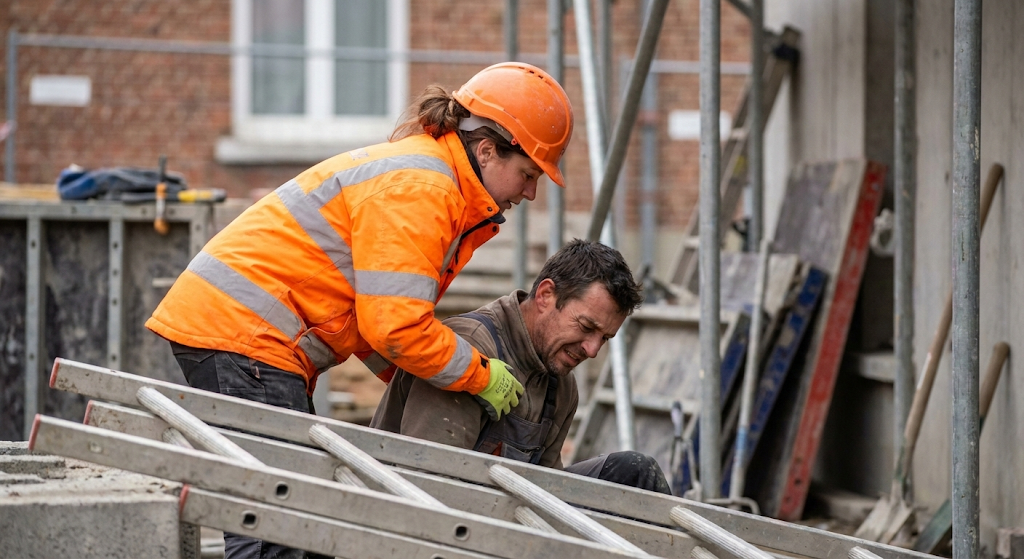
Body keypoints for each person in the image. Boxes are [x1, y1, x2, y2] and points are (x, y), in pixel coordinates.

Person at [145, 62, 573, 559]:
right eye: (527, 173)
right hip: (245, 337)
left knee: (276, 516)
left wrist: (417, 381)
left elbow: (373, 326)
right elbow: (395, 327)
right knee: (273, 529)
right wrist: (479, 377)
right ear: (486, 149)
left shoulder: (431, 181)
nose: (530, 192)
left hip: (245, 336)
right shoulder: (426, 190)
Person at [371, 239, 672, 495]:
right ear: (545, 295)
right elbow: (431, 487)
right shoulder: (467, 352)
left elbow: (547, 488)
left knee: (635, 474)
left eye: (604, 338)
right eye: (585, 326)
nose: (592, 350)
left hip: (508, 519)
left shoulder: (560, 382)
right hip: (425, 524)